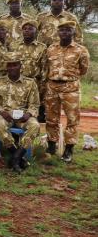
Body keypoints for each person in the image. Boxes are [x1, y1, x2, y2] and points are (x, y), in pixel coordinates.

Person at [43, 20, 89, 162]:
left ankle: (69, 149)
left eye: (68, 30)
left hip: (71, 88)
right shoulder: (51, 48)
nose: (64, 33)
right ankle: (52, 145)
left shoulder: (81, 50)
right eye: (62, 30)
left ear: (73, 32)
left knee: (72, 119)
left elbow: (83, 69)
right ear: (58, 32)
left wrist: (69, 78)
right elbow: (46, 67)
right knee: (51, 118)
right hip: (52, 87)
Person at [0, 53, 40, 172]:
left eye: (15, 65)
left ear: (20, 66)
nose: (12, 67)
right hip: (5, 115)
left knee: (35, 125)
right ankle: (17, 156)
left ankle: (16, 157)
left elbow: (34, 104)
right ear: (6, 67)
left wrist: (28, 114)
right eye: (9, 65)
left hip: (23, 115)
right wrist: (1, 111)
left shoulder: (30, 83)